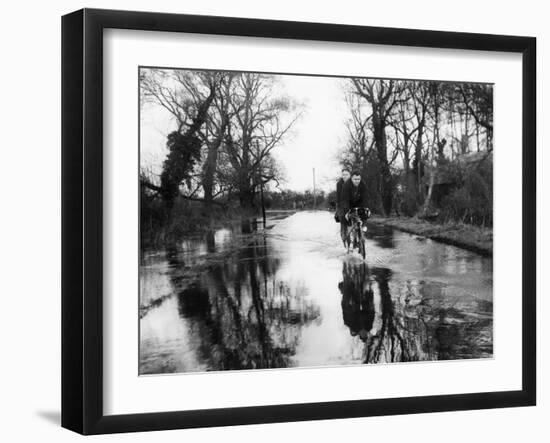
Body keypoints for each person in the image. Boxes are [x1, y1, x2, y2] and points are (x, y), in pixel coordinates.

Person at [335, 168, 351, 244]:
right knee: (343, 223)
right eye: (343, 175)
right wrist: (338, 209)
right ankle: (345, 239)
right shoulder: (339, 184)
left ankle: (359, 237)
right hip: (342, 205)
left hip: (352, 204)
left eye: (346, 174)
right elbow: (339, 198)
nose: (345, 176)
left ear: (350, 175)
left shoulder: (354, 182)